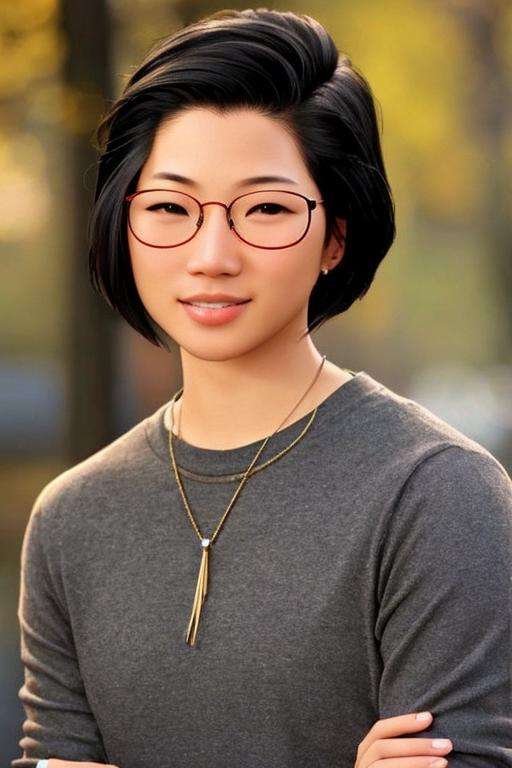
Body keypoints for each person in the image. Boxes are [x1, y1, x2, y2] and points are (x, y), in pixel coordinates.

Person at [12, 8, 511, 768]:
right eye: (171, 208)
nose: (211, 255)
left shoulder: (436, 496)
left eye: (267, 209)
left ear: (336, 236)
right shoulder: (71, 519)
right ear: (124, 222)